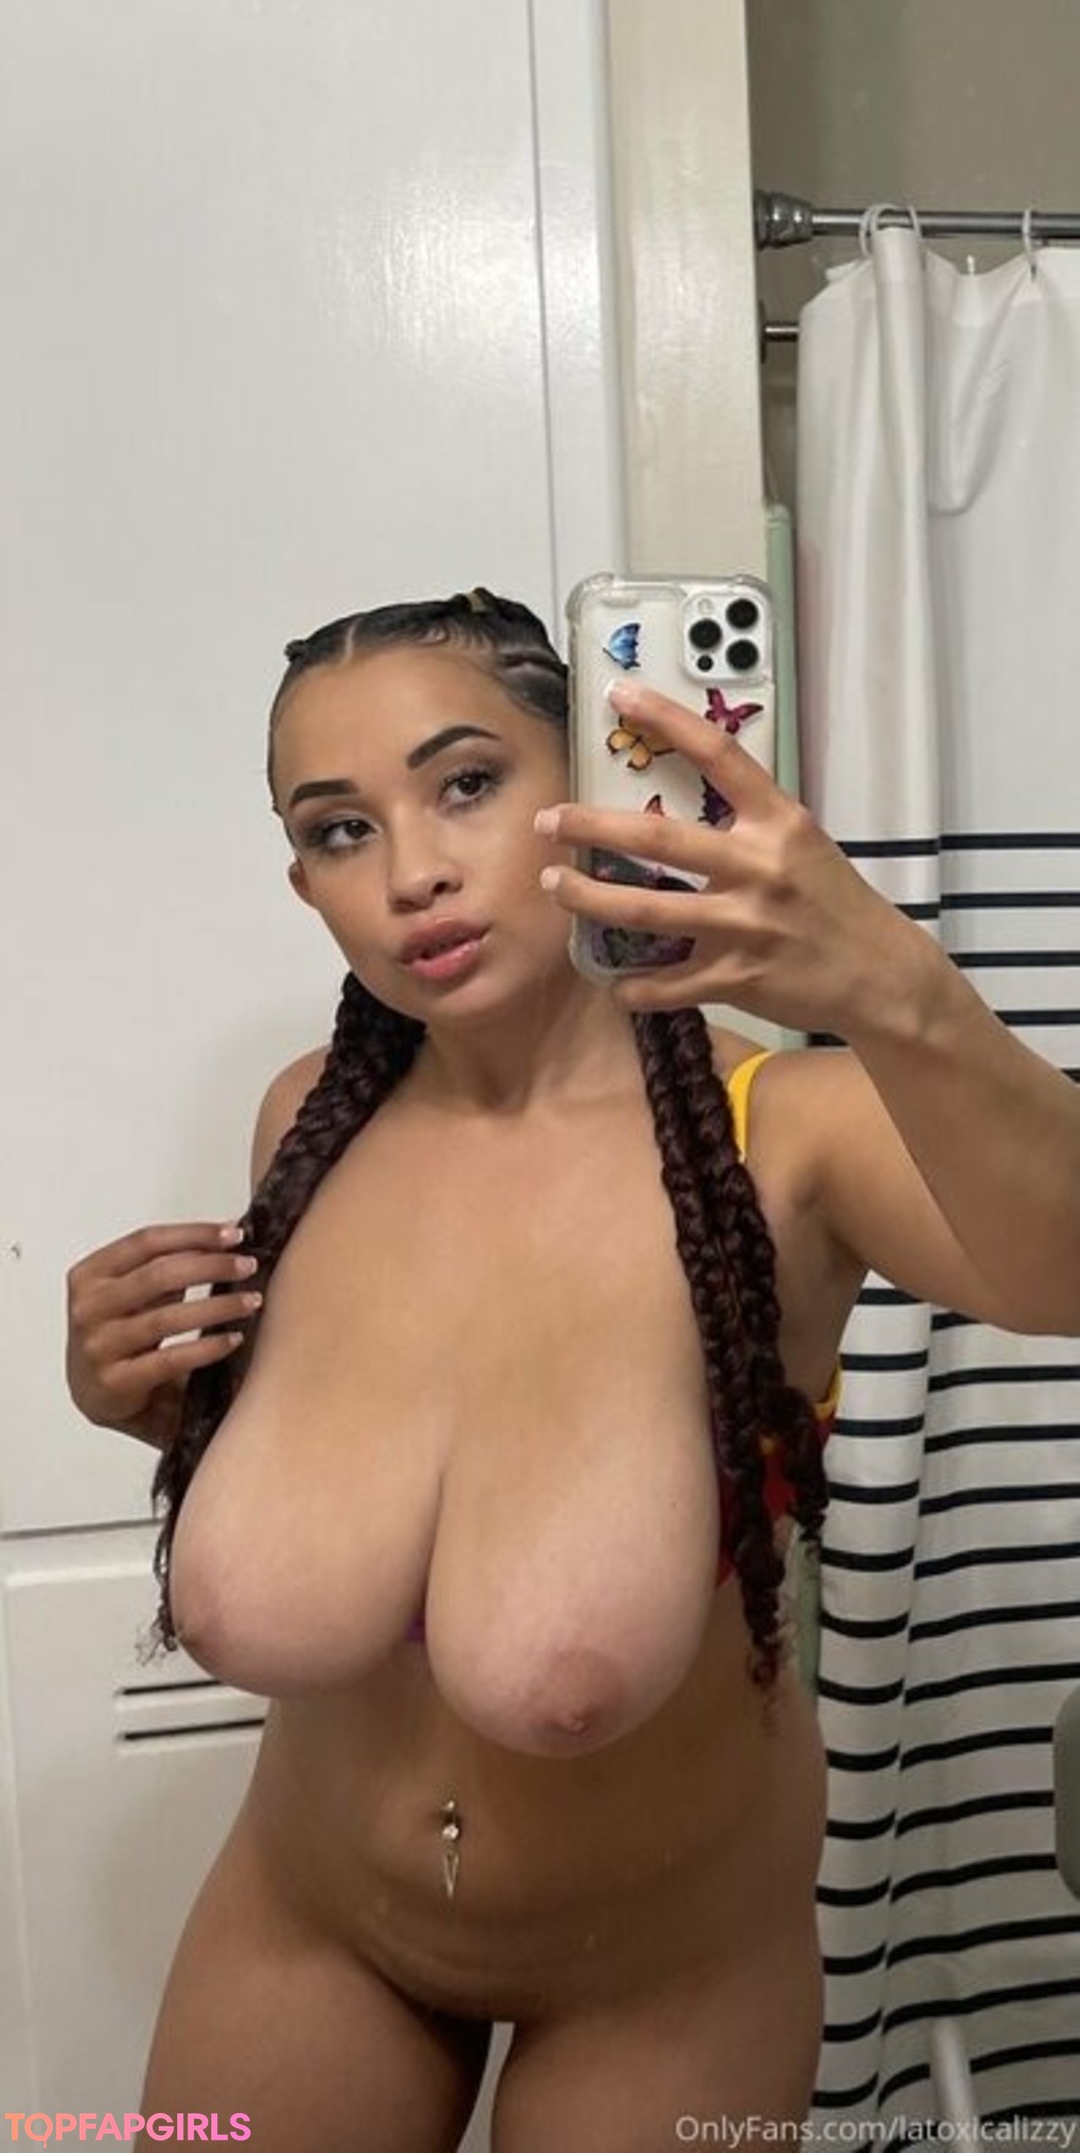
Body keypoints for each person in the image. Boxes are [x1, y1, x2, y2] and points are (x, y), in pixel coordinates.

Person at [64, 586, 1080, 2150]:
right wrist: (142, 1405)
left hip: (669, 1973)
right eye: (342, 830)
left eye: (467, 784)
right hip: (309, 1920)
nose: (412, 870)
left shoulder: (785, 1141)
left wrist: (890, 982)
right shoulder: (308, 1123)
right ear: (303, 882)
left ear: (592, 787)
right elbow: (397, 1477)